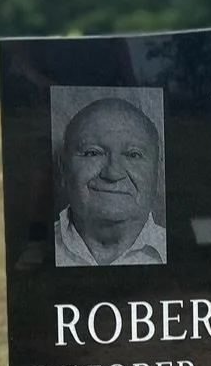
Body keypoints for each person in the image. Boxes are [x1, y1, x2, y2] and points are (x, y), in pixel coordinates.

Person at [54, 96, 167, 265]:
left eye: (133, 155)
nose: (113, 173)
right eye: (93, 153)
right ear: (63, 168)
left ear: (157, 171)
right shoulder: (37, 252)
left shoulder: (183, 254)